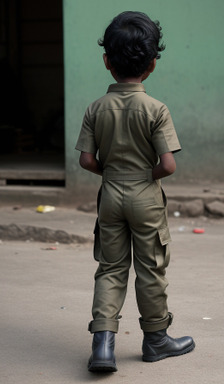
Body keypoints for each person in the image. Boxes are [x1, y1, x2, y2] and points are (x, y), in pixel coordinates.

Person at [75, 11, 195, 372]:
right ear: (152, 64)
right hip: (146, 197)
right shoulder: (156, 109)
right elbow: (168, 165)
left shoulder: (96, 108)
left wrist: (110, 172)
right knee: (150, 268)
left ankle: (103, 345)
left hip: (110, 194)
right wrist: (146, 176)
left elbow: (85, 160)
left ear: (106, 61)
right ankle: (157, 340)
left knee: (110, 268)